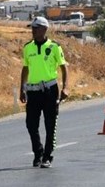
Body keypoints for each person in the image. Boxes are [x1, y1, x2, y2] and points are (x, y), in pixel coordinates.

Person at [19, 16, 69, 168]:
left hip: (50, 90)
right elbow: (25, 68)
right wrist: (22, 87)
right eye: (32, 28)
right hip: (33, 91)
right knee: (31, 124)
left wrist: (66, 87)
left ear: (44, 29)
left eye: (35, 28)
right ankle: (38, 152)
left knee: (50, 124)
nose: (32, 31)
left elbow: (63, 67)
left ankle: (47, 156)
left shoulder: (54, 47)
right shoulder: (28, 47)